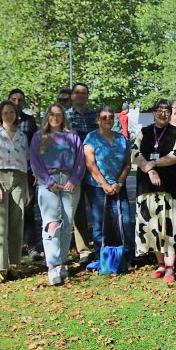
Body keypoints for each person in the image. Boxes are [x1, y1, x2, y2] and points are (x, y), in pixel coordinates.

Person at [29, 103, 86, 286]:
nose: (54, 117)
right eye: (51, 114)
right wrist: (48, 182)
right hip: (49, 182)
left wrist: (74, 180)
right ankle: (52, 265)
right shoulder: (39, 137)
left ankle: (61, 262)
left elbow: (80, 162)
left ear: (63, 117)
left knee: (67, 223)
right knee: (52, 224)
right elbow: (35, 162)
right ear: (47, 116)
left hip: (70, 181)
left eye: (58, 114)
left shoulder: (72, 137)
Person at [134, 99, 176, 283]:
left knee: (170, 227)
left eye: (167, 110)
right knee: (152, 228)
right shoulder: (144, 132)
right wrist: (149, 169)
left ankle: (171, 268)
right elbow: (135, 153)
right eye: (159, 110)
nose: (163, 113)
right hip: (147, 188)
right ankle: (160, 264)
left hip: (170, 188)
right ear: (154, 112)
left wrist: (154, 163)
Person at [0, 100, 30, 284]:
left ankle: (13, 266)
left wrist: (26, 189)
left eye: (12, 112)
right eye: (5, 112)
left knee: (17, 224)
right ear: (0, 114)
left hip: (18, 179)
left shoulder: (21, 136)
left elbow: (24, 165)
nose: (9, 115)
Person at [83, 105, 133, 270]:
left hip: (119, 185)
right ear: (98, 119)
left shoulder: (121, 139)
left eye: (110, 117)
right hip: (97, 187)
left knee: (124, 221)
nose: (107, 120)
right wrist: (104, 184)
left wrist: (118, 183)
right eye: (103, 117)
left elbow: (127, 163)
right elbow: (90, 163)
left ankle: (126, 256)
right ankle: (101, 257)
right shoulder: (91, 138)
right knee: (99, 223)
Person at [66, 82, 98, 261]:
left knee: (97, 207)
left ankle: (100, 244)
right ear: (72, 96)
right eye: (77, 93)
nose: (80, 95)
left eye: (84, 93)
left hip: (94, 167)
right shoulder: (65, 116)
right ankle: (84, 250)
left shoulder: (95, 115)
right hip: (74, 169)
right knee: (78, 211)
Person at [9, 88, 41, 262]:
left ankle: (31, 247)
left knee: (28, 209)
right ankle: (9, 246)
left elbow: (34, 147)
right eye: (13, 99)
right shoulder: (0, 120)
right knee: (7, 210)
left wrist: (35, 170)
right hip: (6, 172)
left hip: (26, 171)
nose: (16, 102)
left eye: (20, 99)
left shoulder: (29, 121)